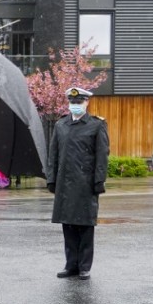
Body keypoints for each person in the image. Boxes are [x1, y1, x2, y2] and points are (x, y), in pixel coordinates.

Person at [46, 86, 109, 281]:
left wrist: (99, 180)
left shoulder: (96, 125)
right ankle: (70, 265)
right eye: (72, 102)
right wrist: (51, 178)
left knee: (85, 226)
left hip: (85, 183)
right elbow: (53, 154)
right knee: (68, 226)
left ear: (86, 103)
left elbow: (102, 155)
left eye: (78, 102)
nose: (75, 106)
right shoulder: (61, 125)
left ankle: (84, 267)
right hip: (65, 183)